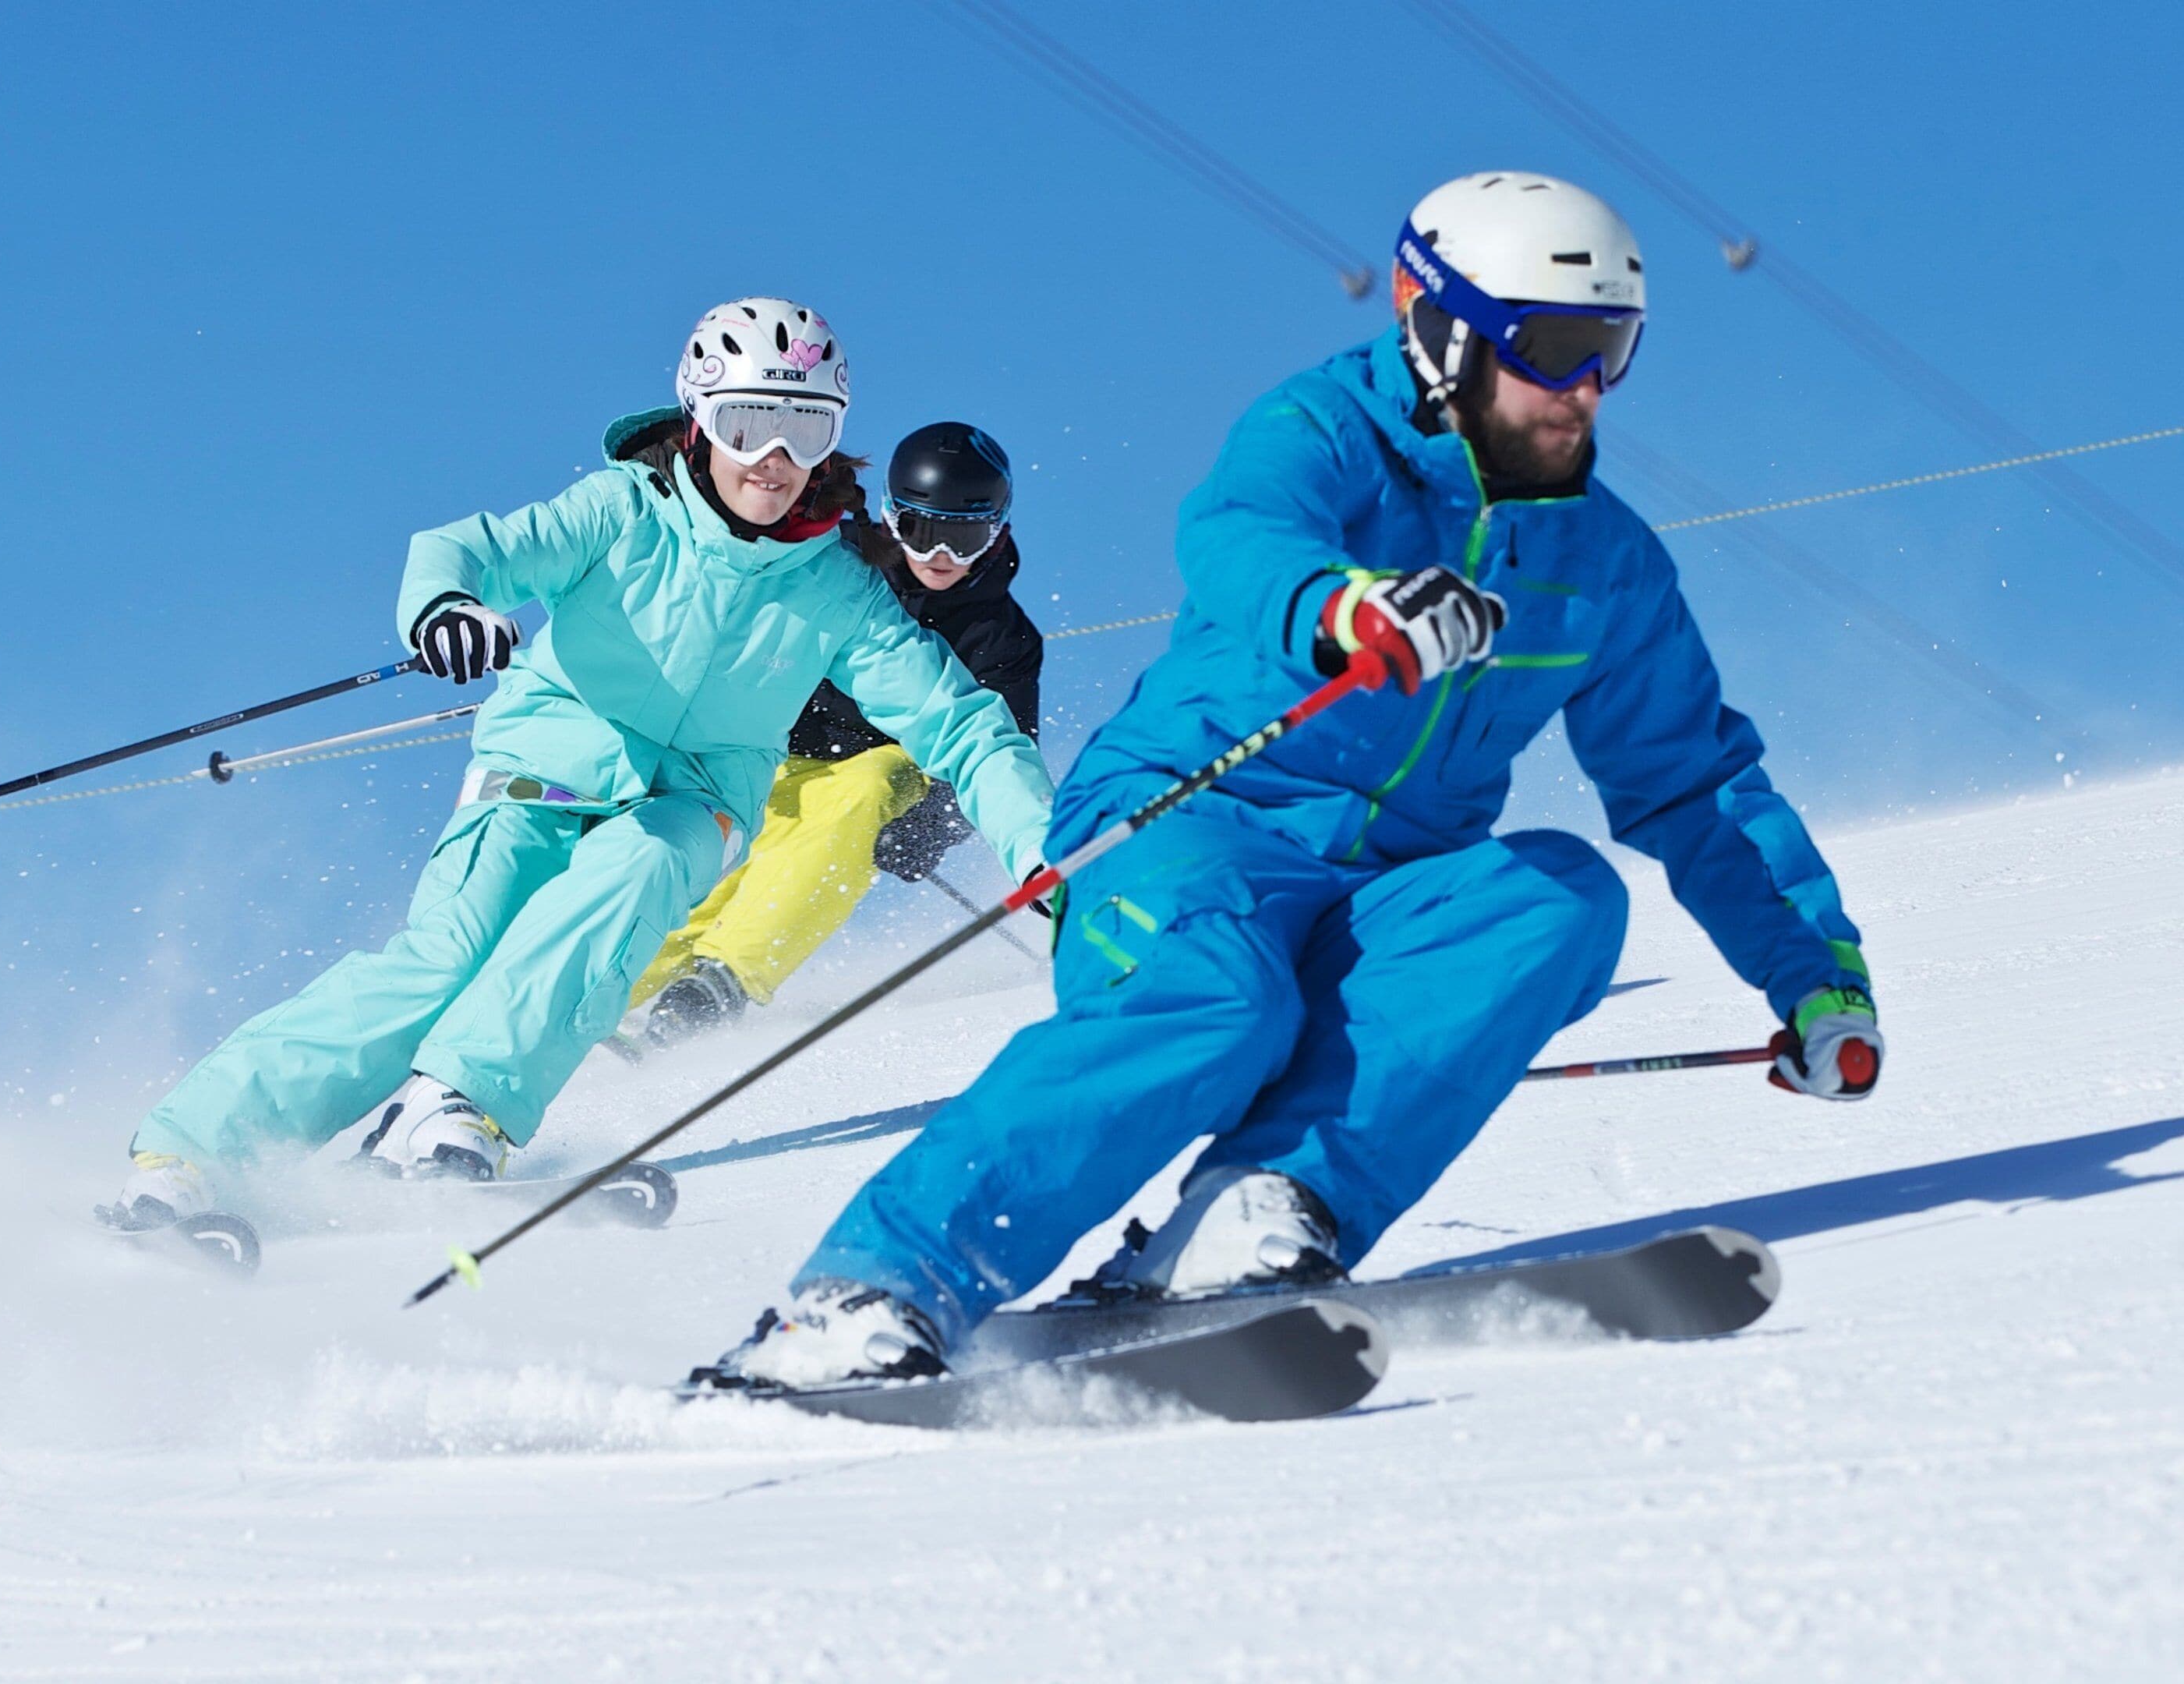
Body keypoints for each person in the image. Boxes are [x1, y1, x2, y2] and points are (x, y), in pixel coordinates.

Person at [697, 174, 1884, 1388]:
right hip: (1189, 818)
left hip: (1385, 885)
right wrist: (1346, 607)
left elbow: (1694, 780)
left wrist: (1818, 976)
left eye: (1613, 352)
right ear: (1442, 328)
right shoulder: (1324, 433)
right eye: (1560, 347)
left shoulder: (1598, 560)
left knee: (1559, 899)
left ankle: (1262, 1200)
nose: (1587, 387)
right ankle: (865, 1291)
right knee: (1218, 1001)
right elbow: (1237, 536)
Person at [101, 299, 1053, 1227]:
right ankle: (193, 1151)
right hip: (541, 774)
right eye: (748, 420)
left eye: (804, 428)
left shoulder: (838, 588)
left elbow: (966, 727)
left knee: (639, 868)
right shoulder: (623, 512)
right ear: (699, 418)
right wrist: (449, 606)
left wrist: (1042, 847)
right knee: (446, 962)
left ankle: (458, 1106)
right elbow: (471, 550)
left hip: (692, 802)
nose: (775, 457)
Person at [624, 421, 1044, 1047]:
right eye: (922, 532)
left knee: (856, 793)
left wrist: (926, 827)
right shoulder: (831, 564)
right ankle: (606, 990)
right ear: (890, 517)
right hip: (771, 756)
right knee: (720, 861)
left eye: (964, 537)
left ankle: (721, 983)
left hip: (890, 768)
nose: (940, 558)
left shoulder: (1002, 637)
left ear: (998, 530)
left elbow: (1001, 758)